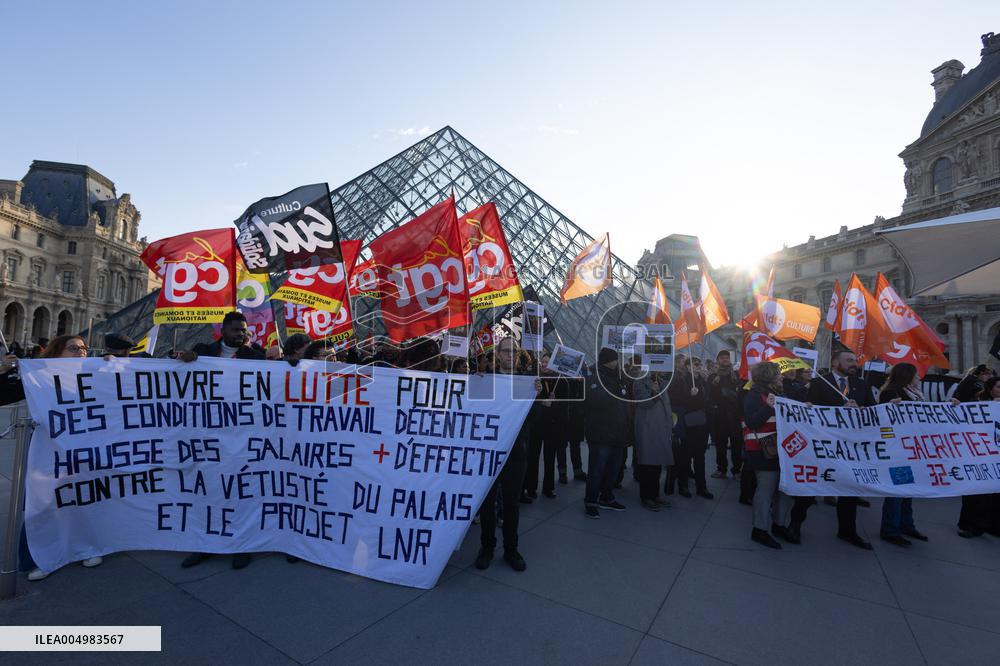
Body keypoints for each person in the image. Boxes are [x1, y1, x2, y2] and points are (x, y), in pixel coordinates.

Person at [176, 312, 264, 570]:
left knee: (241, 492)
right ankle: (206, 544)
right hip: (209, 434)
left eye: (243, 330)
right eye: (236, 329)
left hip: (242, 435)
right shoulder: (202, 350)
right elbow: (176, 372)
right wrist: (185, 359)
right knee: (209, 491)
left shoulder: (254, 354)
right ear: (222, 330)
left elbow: (274, 375)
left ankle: (242, 545)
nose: (240, 334)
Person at [24, 335, 104, 580]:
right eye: (73, 348)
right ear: (57, 353)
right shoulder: (37, 375)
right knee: (41, 502)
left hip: (82, 448)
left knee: (82, 497)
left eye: (83, 348)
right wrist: (7, 369)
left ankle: (86, 548)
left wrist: (116, 363)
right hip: (49, 449)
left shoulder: (95, 374)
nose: (80, 352)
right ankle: (39, 557)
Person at [475, 335, 539, 572]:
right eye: (505, 351)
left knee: (512, 503)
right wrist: (475, 383)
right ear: (498, 354)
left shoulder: (527, 383)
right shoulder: (485, 381)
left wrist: (537, 397)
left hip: (515, 452)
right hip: (489, 451)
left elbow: (533, 420)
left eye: (513, 351)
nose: (509, 355)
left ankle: (511, 549)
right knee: (488, 502)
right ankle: (487, 547)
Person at [806, 349, 875, 550]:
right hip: (825, 444)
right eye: (849, 360)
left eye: (855, 360)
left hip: (851, 446)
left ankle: (847, 530)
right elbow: (810, 410)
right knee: (810, 488)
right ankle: (795, 523)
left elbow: (872, 409)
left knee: (849, 489)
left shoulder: (861, 384)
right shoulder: (820, 382)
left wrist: (862, 410)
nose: (854, 363)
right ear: (836, 362)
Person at [877, 362, 929, 547]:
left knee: (909, 489)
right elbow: (882, 418)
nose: (919, 378)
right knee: (897, 490)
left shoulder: (914, 392)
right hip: (898, 448)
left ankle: (907, 524)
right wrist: (891, 407)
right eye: (916, 375)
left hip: (913, 447)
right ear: (907, 375)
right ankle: (890, 528)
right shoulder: (891, 392)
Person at [743, 362, 793, 548]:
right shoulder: (754, 395)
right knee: (765, 491)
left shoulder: (780, 393)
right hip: (763, 452)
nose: (782, 376)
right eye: (778, 374)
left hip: (782, 451)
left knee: (784, 490)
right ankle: (760, 529)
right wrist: (768, 407)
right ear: (768, 376)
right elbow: (751, 421)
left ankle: (779, 524)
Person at [583, 348, 632, 518]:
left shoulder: (618, 377)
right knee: (596, 470)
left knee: (613, 469)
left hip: (618, 431)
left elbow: (626, 402)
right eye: (615, 359)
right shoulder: (593, 375)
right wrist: (617, 392)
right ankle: (590, 501)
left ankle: (606, 497)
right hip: (600, 431)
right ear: (608, 360)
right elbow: (596, 399)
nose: (618, 362)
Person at [958, 374, 1000, 538]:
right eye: (998, 387)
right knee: (977, 493)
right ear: (990, 389)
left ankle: (993, 526)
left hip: (996, 456)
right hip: (979, 455)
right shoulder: (976, 405)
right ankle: (970, 525)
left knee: (996, 493)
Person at [668, 356, 713, 499]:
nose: (698, 366)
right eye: (695, 364)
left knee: (700, 456)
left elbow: (708, 399)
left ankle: (702, 486)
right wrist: (689, 394)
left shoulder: (702, 380)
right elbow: (675, 400)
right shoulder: (682, 380)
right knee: (685, 456)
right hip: (688, 422)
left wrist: (708, 383)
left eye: (699, 363)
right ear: (688, 367)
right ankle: (683, 485)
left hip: (702, 422)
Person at [633, 371, 673, 511]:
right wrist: (654, 393)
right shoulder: (639, 381)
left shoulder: (661, 381)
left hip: (660, 426)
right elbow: (644, 403)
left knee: (656, 464)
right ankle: (646, 497)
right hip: (647, 426)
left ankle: (655, 495)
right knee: (647, 464)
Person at [707, 350, 743, 478]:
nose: (725, 359)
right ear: (718, 360)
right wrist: (714, 407)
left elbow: (741, 393)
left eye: (726, 357)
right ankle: (721, 469)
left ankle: (737, 470)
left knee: (736, 445)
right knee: (721, 445)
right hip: (720, 415)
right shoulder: (712, 376)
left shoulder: (737, 374)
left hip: (734, 415)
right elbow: (709, 394)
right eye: (722, 358)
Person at [559, 372, 587, 482]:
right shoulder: (560, 377)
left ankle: (578, 470)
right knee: (561, 446)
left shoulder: (579, 378)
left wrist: (580, 382)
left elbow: (583, 395)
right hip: (562, 416)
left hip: (576, 416)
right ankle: (562, 472)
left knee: (575, 445)